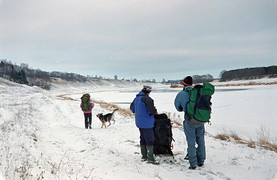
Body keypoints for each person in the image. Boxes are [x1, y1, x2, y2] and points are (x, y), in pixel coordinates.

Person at [174, 76, 206, 169]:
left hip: (190, 120)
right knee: (201, 141)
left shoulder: (182, 94)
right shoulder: (198, 92)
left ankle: (193, 164)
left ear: (183, 83)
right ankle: (201, 161)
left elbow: (178, 107)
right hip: (201, 120)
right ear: (192, 83)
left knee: (191, 142)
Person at [130, 85, 158, 164]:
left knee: (143, 138)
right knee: (150, 140)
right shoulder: (148, 99)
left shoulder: (136, 98)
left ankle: (144, 156)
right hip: (147, 123)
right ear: (149, 92)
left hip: (139, 122)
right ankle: (150, 159)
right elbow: (152, 112)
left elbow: (132, 109)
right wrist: (155, 111)